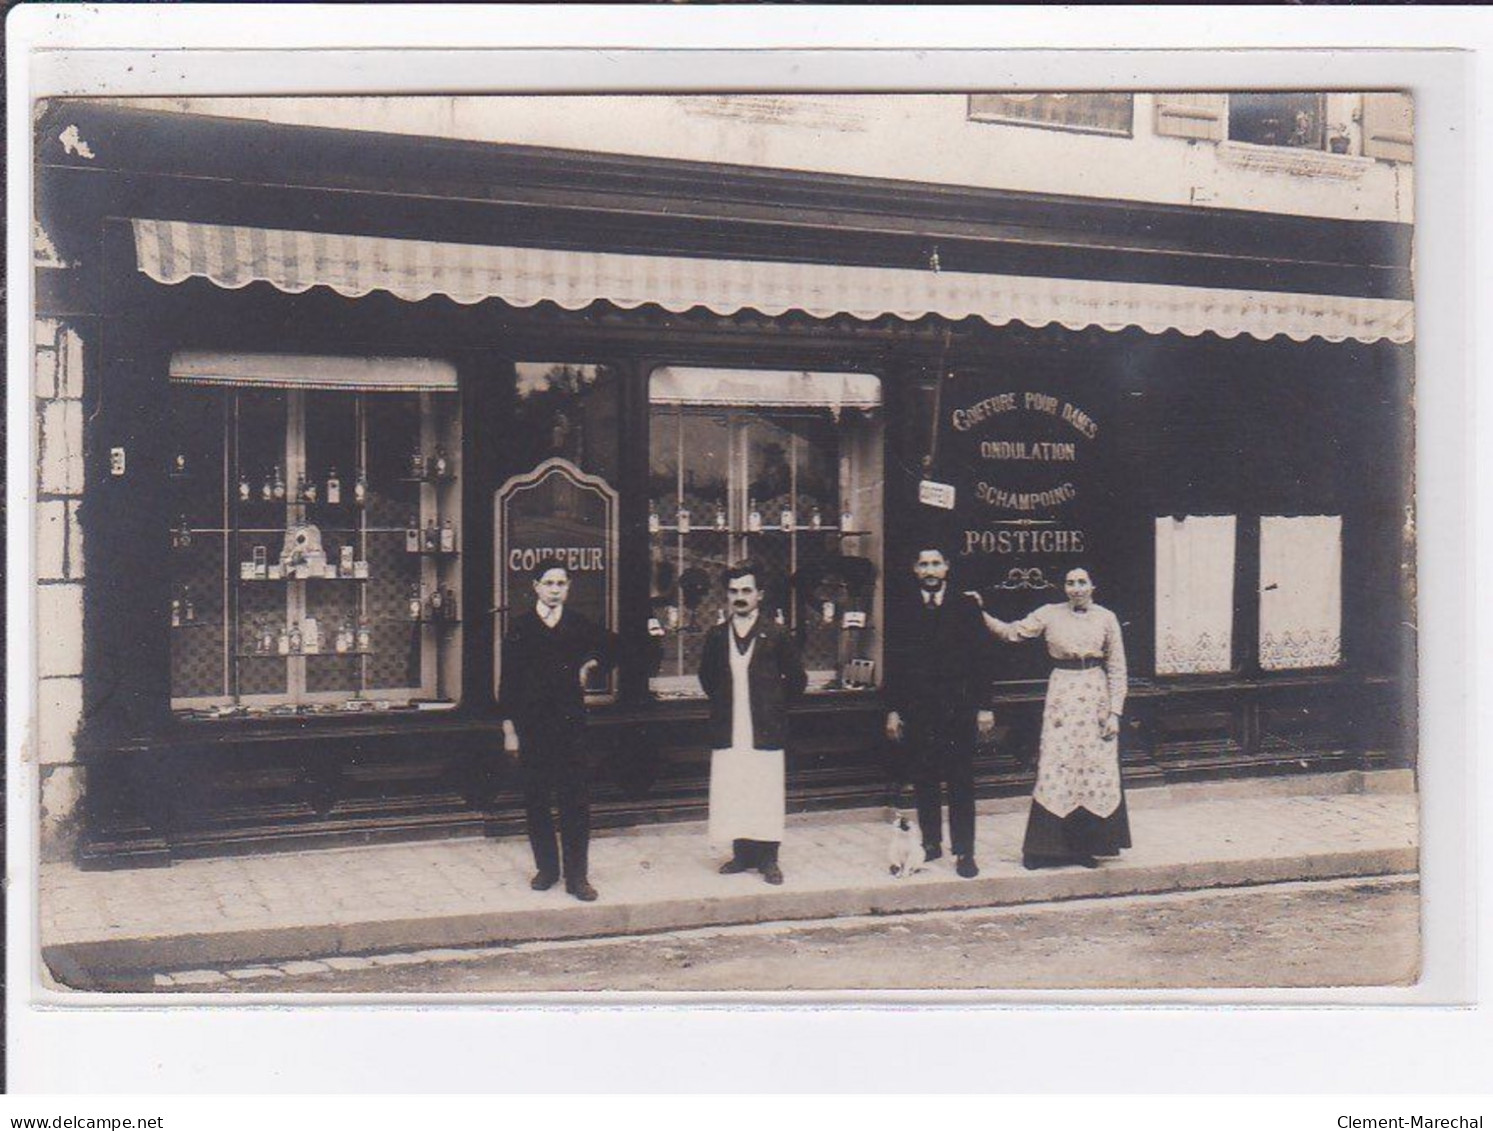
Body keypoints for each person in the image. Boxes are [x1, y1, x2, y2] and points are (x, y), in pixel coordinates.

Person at [971, 566, 1130, 870]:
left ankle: (1086, 848)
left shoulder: (1107, 618)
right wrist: (979, 612)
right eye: (1070, 583)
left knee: (1090, 769)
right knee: (1057, 767)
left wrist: (1115, 713)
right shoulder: (1049, 613)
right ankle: (1044, 850)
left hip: (1096, 695)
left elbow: (1118, 667)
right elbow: (1010, 632)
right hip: (1062, 695)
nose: (1076, 588)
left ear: (1093, 585)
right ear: (1064, 587)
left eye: (1082, 582)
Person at [498, 558, 616, 901]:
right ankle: (547, 869)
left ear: (568, 588)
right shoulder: (520, 627)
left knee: (575, 802)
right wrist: (510, 731)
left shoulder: (578, 625)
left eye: (560, 584)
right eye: (548, 583)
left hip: (570, 728)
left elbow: (617, 646)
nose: (554, 590)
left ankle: (577, 877)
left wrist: (592, 663)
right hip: (532, 728)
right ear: (535, 586)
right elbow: (508, 683)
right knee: (536, 800)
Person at [884, 545, 997, 878]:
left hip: (958, 709)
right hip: (919, 710)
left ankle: (965, 852)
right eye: (923, 564)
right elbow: (895, 665)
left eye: (936, 564)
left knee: (961, 781)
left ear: (947, 567)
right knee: (924, 778)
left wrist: (985, 706)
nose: (930, 571)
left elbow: (982, 661)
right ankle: (931, 843)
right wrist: (893, 710)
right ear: (915, 569)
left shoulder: (965, 607)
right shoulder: (903, 609)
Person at [698, 561, 807, 885]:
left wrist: (773, 706)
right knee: (734, 789)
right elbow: (707, 677)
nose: (740, 597)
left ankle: (769, 858)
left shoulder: (775, 633)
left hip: (765, 727)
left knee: (765, 790)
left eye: (747, 590)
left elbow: (797, 680)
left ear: (760, 594)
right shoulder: (717, 635)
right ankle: (742, 854)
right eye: (733, 591)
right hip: (730, 726)